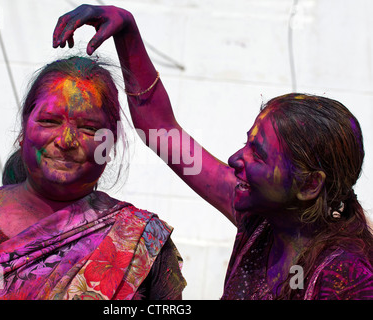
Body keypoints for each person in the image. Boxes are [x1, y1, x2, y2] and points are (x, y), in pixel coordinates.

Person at [52, 4, 373, 299]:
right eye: (247, 142)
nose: (235, 159)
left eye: (258, 154)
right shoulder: (260, 221)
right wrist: (128, 32)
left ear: (308, 185)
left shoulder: (347, 277)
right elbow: (159, 130)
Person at [0, 55, 186, 300]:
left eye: (88, 128)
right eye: (49, 121)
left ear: (110, 143)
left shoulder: (141, 243)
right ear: (23, 129)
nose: (66, 141)